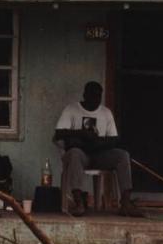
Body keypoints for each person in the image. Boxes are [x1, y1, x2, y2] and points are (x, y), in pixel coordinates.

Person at [53, 81, 143, 217]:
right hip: (80, 154)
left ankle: (125, 203)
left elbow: (113, 139)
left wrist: (98, 142)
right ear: (84, 95)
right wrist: (82, 134)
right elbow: (58, 134)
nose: (95, 99)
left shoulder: (106, 113)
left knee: (122, 155)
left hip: (99, 154)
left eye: (98, 96)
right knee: (75, 153)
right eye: (91, 96)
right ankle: (78, 203)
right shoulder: (71, 109)